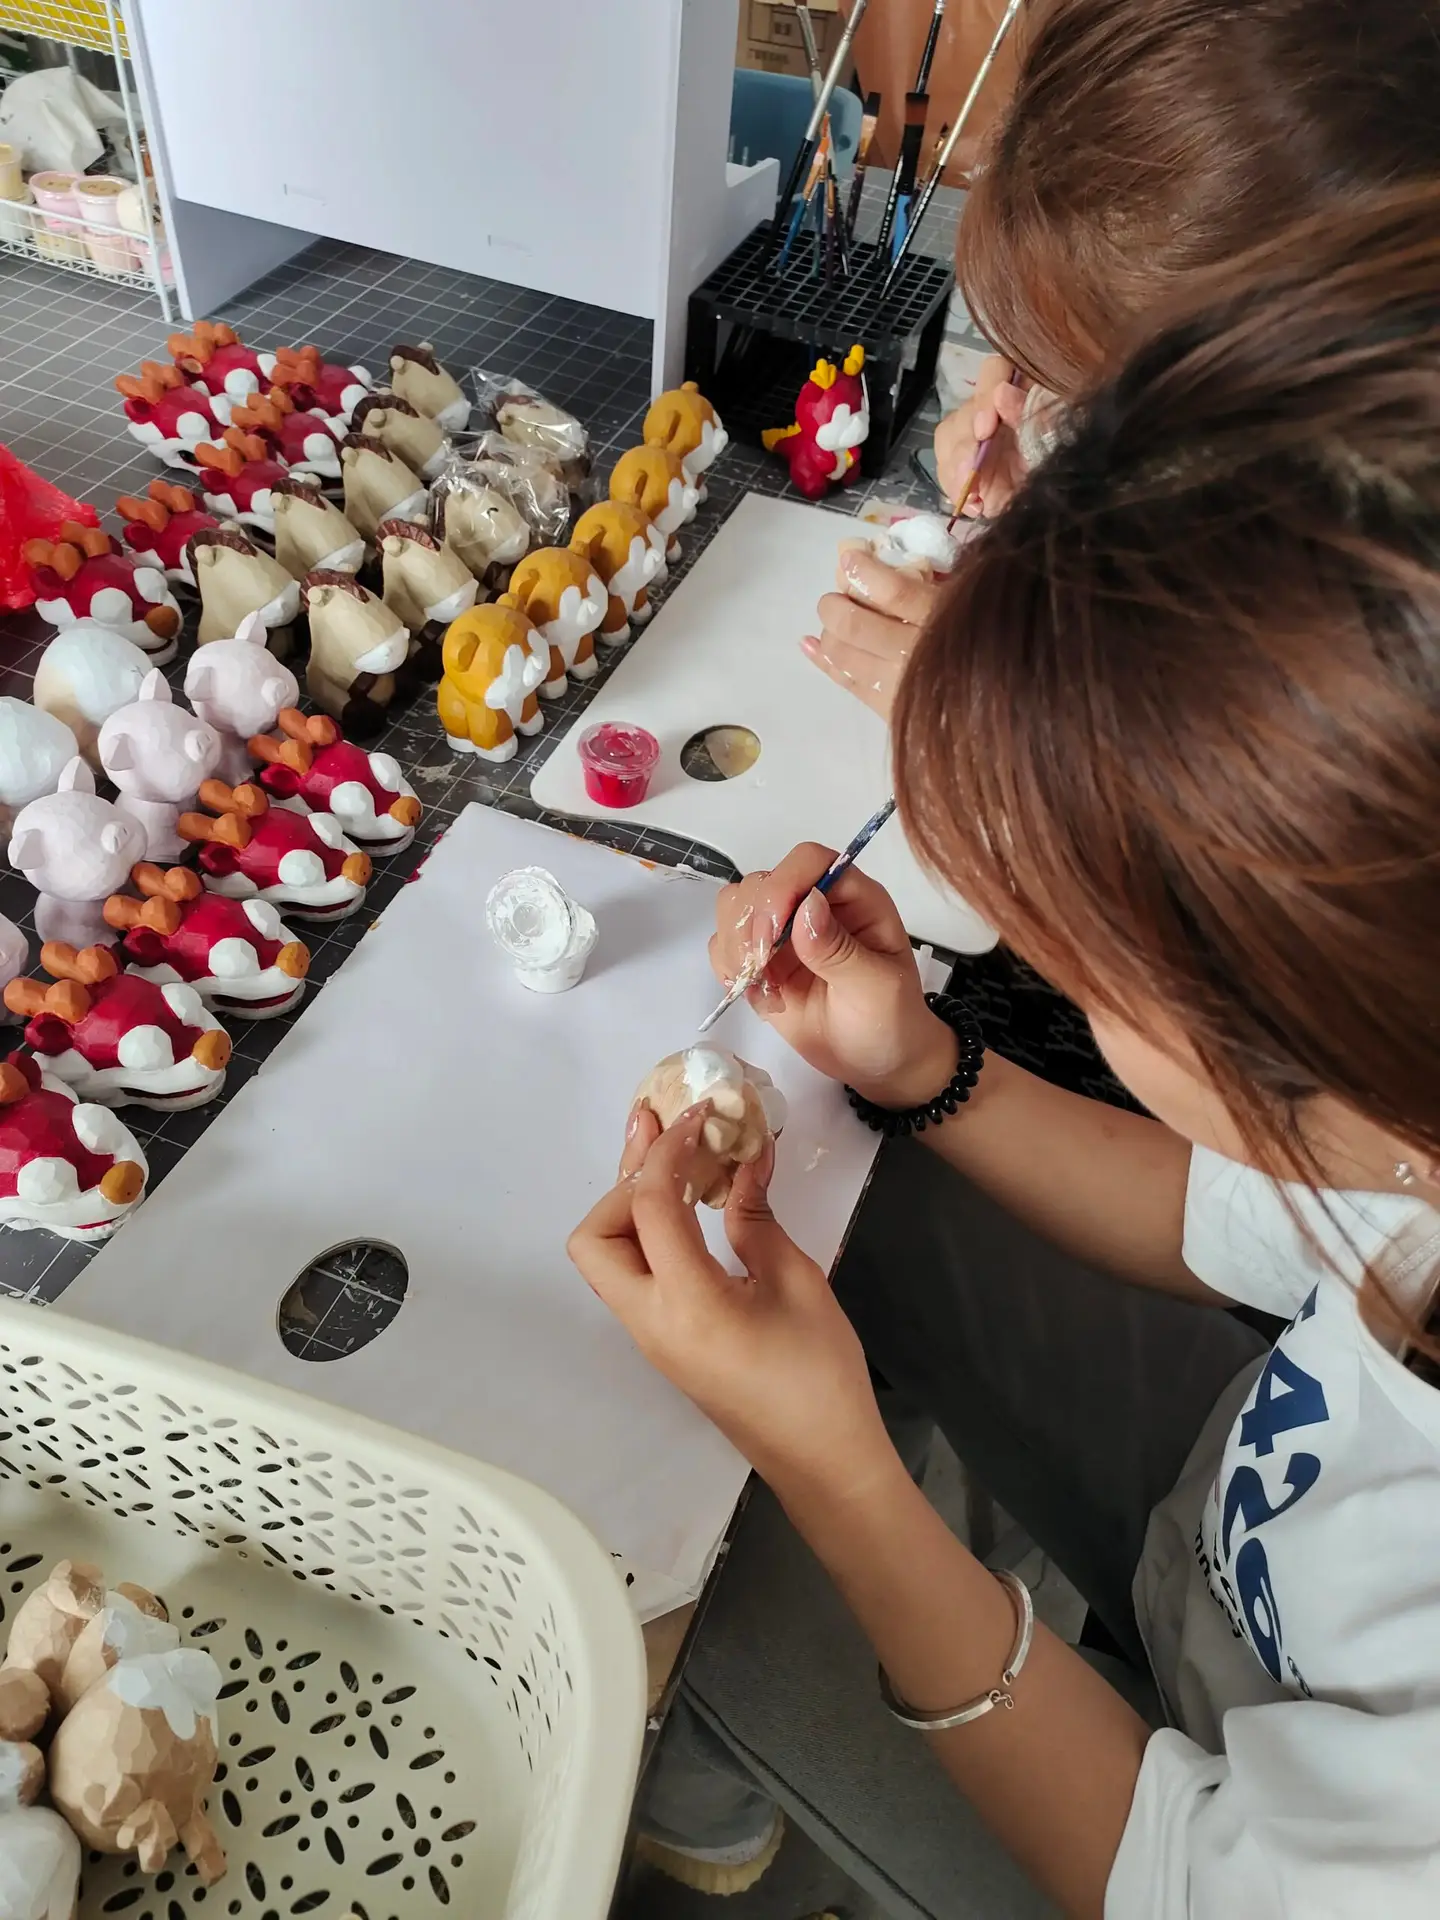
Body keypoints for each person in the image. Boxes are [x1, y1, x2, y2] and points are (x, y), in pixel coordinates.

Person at [569, 186, 1440, 1918]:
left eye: (1071, 940)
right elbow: (1236, 1209)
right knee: (856, 1211)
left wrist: (839, 1476)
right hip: (1233, 1531)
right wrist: (920, 1068)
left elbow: (1171, 1864)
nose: (1038, 957)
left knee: (651, 1580)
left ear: (1297, 1026)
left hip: (1175, 1825)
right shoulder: (1397, 1123)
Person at [813, 0, 1440, 722]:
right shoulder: (1286, 427)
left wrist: (997, 717)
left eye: (1095, 387)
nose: (1053, 395)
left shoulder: (1383, 630)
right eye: (1054, 376)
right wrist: (1057, 467)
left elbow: (1221, 753)